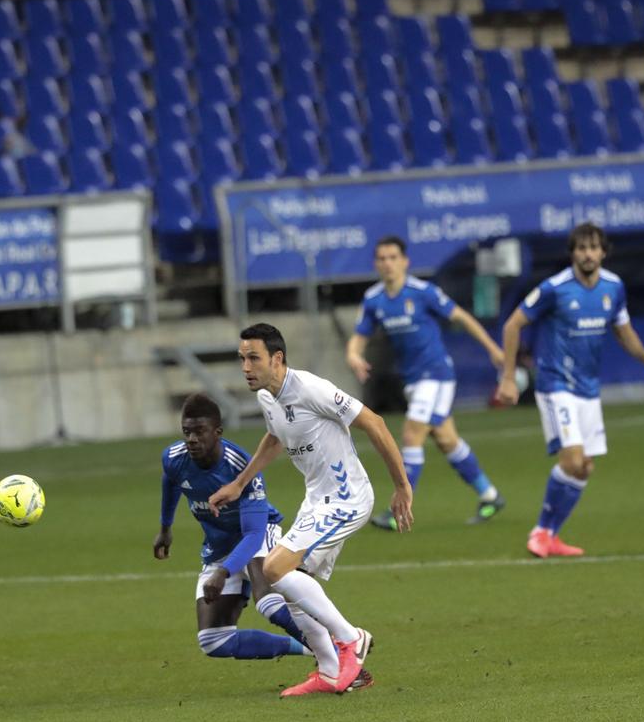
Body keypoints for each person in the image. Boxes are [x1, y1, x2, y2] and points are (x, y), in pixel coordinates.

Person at [206, 323, 412, 697]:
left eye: (253, 358)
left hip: (347, 499)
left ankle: (352, 639)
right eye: (242, 359)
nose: (246, 367)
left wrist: (401, 486)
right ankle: (333, 671)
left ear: (277, 358)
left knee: (274, 568)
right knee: (291, 587)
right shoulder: (269, 397)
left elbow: (376, 424)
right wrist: (239, 484)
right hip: (316, 500)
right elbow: (275, 437)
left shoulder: (312, 389)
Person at [493, 222, 644, 558]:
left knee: (585, 467)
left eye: (593, 247)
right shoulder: (554, 288)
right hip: (555, 384)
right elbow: (513, 324)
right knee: (573, 458)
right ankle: (539, 532)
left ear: (603, 252)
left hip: (588, 389)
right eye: (581, 248)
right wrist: (508, 376)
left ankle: (550, 534)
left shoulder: (614, 287)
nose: (588, 253)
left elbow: (623, 330)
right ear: (573, 253)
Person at [346, 235, 506, 528]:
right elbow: (359, 335)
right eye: (382, 258)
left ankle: (400, 510)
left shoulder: (423, 292)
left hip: (436, 375)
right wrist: (354, 354)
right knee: (446, 440)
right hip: (413, 380)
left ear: (405, 262)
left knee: (411, 434)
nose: (388, 263)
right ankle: (490, 495)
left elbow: (462, 317)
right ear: (376, 263)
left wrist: (494, 349)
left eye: (393, 257)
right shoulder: (374, 299)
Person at [153, 393, 311, 665]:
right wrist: (165, 527)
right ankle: (311, 647)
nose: (191, 439)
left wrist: (224, 573)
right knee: (213, 641)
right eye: (186, 431)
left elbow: (252, 535)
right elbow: (171, 481)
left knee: (268, 603)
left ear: (217, 432)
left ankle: (339, 650)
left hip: (259, 533)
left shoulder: (242, 468)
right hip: (219, 546)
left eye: (199, 431)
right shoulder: (174, 458)